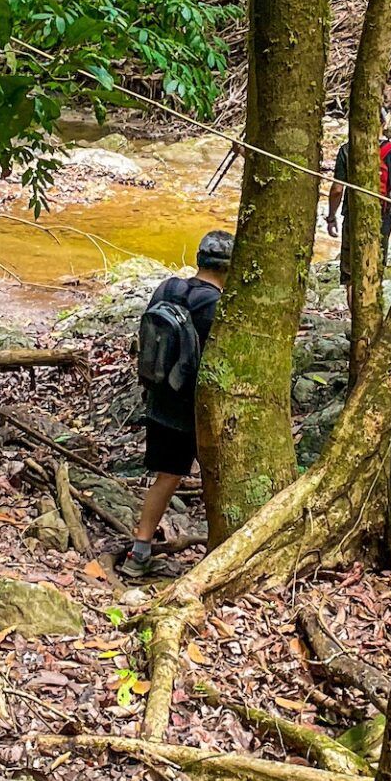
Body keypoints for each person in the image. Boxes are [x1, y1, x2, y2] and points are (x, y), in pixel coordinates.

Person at [120, 228, 232, 576]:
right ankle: (222, 552)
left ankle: (139, 553)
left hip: (159, 400)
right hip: (194, 410)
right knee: (220, 476)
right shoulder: (215, 307)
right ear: (230, 268)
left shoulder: (168, 288)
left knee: (166, 478)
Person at [326, 123, 391, 255]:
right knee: (377, 259)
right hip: (382, 216)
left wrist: (331, 217)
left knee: (349, 263)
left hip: (353, 215)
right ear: (383, 125)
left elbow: (337, 190)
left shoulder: (347, 150)